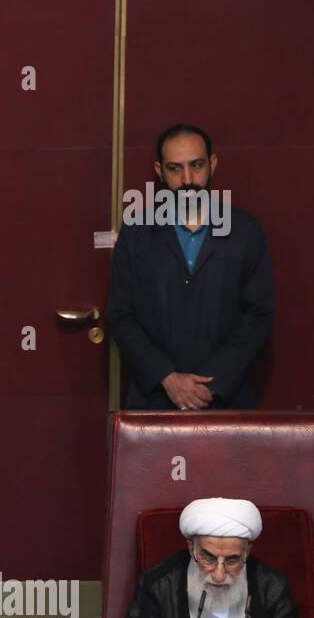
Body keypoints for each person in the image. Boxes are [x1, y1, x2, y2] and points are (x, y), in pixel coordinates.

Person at [107, 123, 273, 410]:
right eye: (175, 168)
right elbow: (121, 316)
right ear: (159, 170)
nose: (187, 179)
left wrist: (211, 384)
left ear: (213, 163)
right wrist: (167, 378)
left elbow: (258, 315)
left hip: (227, 397)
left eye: (196, 165)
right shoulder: (136, 232)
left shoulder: (246, 231)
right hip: (154, 398)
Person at [105, 497, 314, 618]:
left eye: (233, 560)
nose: (218, 574)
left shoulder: (269, 584)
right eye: (208, 557)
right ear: (192, 548)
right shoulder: (160, 582)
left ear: (247, 551)